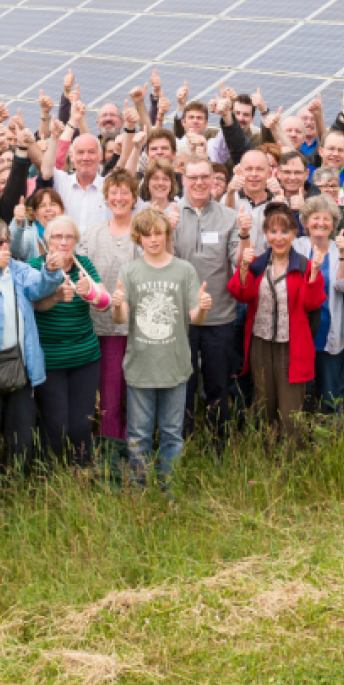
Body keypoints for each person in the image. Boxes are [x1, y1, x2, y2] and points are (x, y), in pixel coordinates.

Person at [0, 219, 65, 490]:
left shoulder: (19, 269)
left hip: (21, 367)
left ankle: (14, 491)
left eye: (2, 242)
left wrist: (51, 271)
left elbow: (40, 287)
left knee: (21, 439)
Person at [111, 209, 211, 490]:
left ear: (167, 234)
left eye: (158, 233)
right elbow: (121, 319)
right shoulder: (130, 271)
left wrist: (202, 308)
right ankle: (141, 487)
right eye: (147, 234)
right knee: (139, 434)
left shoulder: (184, 270)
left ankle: (168, 488)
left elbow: (194, 317)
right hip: (140, 366)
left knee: (171, 433)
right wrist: (117, 304)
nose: (153, 239)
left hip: (175, 365)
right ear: (138, 237)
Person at [226, 207, 326, 448]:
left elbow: (313, 303)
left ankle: (293, 461)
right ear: (265, 234)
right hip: (261, 345)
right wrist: (242, 268)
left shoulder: (304, 265)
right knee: (264, 405)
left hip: (292, 348)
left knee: (291, 409)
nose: (278, 237)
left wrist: (314, 273)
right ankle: (268, 457)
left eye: (284, 231)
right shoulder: (258, 265)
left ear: (294, 234)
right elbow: (241, 294)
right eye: (272, 232)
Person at [28, 216, 112, 465]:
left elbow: (105, 304)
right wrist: (54, 297)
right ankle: (46, 476)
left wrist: (92, 294)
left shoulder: (83, 264)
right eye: (57, 237)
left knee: (81, 424)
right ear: (47, 241)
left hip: (84, 357)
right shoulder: (34, 265)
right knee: (56, 424)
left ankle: (81, 472)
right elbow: (34, 304)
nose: (63, 242)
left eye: (69, 237)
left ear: (76, 241)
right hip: (50, 359)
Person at [170, 158, 242, 445]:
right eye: (193, 177)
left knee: (217, 384)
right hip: (181, 318)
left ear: (214, 180)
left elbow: (237, 260)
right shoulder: (169, 214)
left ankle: (218, 445)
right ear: (184, 179)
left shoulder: (229, 217)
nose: (199, 183)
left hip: (219, 316)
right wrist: (166, 230)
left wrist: (247, 238)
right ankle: (182, 443)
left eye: (205, 177)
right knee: (182, 386)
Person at [81, 172, 143, 457]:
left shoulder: (142, 233)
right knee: (108, 395)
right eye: (114, 193)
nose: (119, 198)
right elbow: (81, 271)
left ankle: (136, 451)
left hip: (136, 328)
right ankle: (110, 455)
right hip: (101, 327)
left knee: (136, 394)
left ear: (134, 197)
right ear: (106, 197)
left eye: (125, 192)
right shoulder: (93, 232)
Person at [294, 197, 344, 420]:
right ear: (306, 222)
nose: (321, 223)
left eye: (326, 219)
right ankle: (303, 434)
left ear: (333, 224)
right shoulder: (296, 247)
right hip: (300, 332)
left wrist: (341, 255)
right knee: (301, 393)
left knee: (330, 392)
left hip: (329, 331)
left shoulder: (343, 248)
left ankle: (328, 439)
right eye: (315, 218)